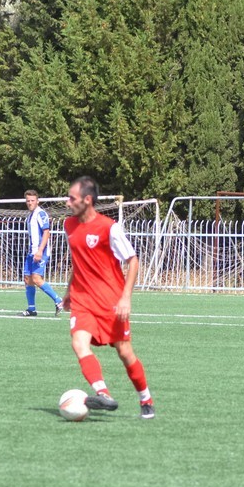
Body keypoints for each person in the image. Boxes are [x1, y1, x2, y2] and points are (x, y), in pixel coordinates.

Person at [63, 176, 154, 419]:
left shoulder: (109, 228)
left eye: (72, 198)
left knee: (124, 352)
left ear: (87, 199)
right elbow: (78, 262)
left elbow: (132, 260)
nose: (67, 202)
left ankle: (145, 398)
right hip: (82, 299)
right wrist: (69, 291)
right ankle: (103, 394)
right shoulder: (69, 225)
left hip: (110, 301)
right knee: (78, 343)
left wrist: (126, 298)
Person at [20, 190, 63, 317]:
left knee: (36, 279)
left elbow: (46, 232)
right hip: (31, 252)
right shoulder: (30, 216)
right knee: (28, 279)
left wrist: (40, 251)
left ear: (37, 201)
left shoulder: (40, 213)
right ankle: (31, 309)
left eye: (32, 200)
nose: (30, 203)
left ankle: (58, 301)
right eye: (28, 201)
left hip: (41, 252)